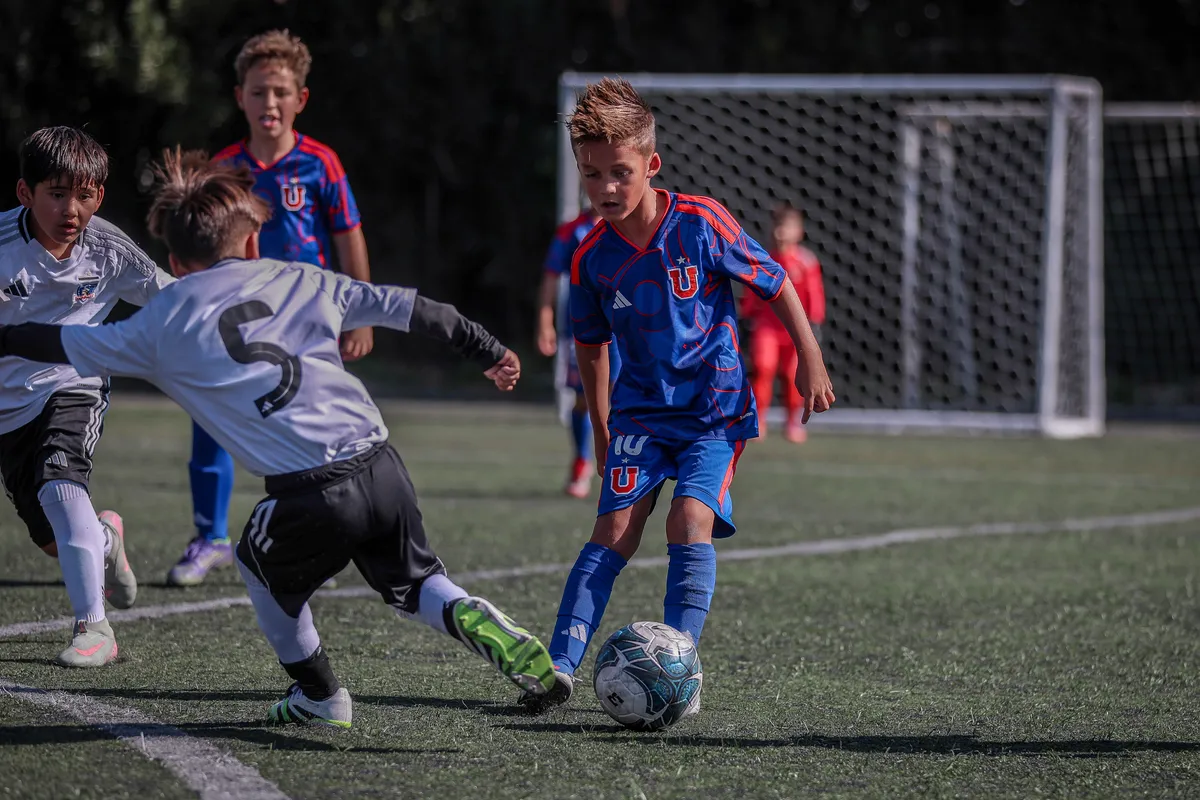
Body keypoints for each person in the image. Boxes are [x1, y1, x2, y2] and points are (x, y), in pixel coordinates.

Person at [0, 149, 555, 727]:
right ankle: (464, 609)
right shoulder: (303, 277)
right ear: (250, 242)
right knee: (414, 583)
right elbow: (416, 309)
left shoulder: (162, 323)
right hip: (382, 463)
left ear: (174, 261)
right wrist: (488, 350)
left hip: (309, 492)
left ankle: (320, 695)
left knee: (256, 566)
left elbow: (50, 344)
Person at [518, 78, 835, 712]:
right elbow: (591, 350)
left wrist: (811, 358)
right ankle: (557, 667)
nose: (607, 188)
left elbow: (775, 285)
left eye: (620, 172)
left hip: (713, 417)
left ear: (651, 165)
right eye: (592, 174)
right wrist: (604, 434)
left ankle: (677, 671)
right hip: (639, 415)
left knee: (689, 520)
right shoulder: (591, 261)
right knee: (612, 530)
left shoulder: (701, 222)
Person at [169, 29, 376, 587]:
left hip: (306, 322)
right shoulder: (224, 167)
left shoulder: (322, 164)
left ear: (300, 99)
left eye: (281, 92)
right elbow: (204, 242)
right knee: (211, 419)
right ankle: (208, 537)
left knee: (309, 432)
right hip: (236, 319)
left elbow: (348, 233)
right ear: (241, 97)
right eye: (259, 92)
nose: (270, 103)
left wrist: (360, 313)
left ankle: (314, 542)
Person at [0, 126, 174, 666]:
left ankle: (93, 627)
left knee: (60, 482)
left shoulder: (109, 249)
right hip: (8, 411)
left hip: (71, 384)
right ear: (25, 193)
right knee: (54, 539)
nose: (72, 208)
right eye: (56, 193)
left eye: (86, 194)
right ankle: (105, 537)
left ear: (100, 195)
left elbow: (173, 298)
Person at [534, 207, 622, 498]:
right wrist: (545, 323)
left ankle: (625, 468)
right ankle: (582, 460)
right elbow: (550, 276)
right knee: (586, 397)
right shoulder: (573, 230)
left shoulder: (633, 224)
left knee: (623, 395)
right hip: (583, 329)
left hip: (627, 325)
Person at [741, 203, 826, 443]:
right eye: (778, 226)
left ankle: (794, 423)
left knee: (792, 375)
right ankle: (759, 421)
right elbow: (752, 293)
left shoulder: (806, 262)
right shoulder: (764, 259)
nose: (781, 232)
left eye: (787, 227)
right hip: (767, 327)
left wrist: (814, 325)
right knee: (762, 368)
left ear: (798, 232)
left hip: (794, 331)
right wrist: (747, 317)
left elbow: (814, 296)